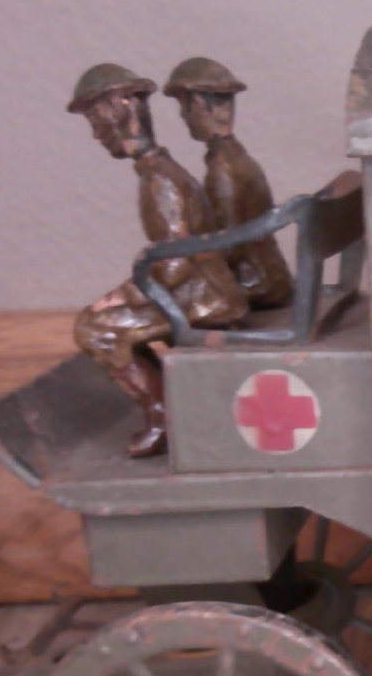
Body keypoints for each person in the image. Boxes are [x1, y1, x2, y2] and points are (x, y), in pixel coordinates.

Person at [68, 63, 247, 457]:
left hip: (202, 298)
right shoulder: (161, 171)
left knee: (94, 328)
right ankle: (170, 403)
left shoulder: (160, 179)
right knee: (104, 319)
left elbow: (174, 263)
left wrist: (124, 295)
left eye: (97, 122)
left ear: (122, 111)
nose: (97, 135)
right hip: (204, 288)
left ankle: (163, 417)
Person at [164, 57, 293, 309]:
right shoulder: (239, 159)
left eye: (184, 106)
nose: (182, 116)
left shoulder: (222, 170)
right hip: (273, 277)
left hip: (254, 283)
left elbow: (229, 247)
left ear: (200, 104)